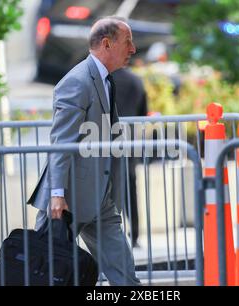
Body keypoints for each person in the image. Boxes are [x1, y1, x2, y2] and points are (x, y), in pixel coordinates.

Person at [27, 16, 140, 286]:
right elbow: (61, 143)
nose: (133, 49)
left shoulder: (105, 79)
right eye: (128, 42)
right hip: (67, 201)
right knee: (42, 274)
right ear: (107, 44)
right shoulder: (76, 81)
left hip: (99, 199)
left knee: (125, 277)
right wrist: (56, 195)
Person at [112, 68, 148, 248]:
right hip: (130, 142)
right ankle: (134, 236)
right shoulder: (136, 81)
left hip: (106, 142)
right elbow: (143, 113)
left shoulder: (105, 80)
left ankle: (111, 236)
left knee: (107, 191)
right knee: (130, 191)